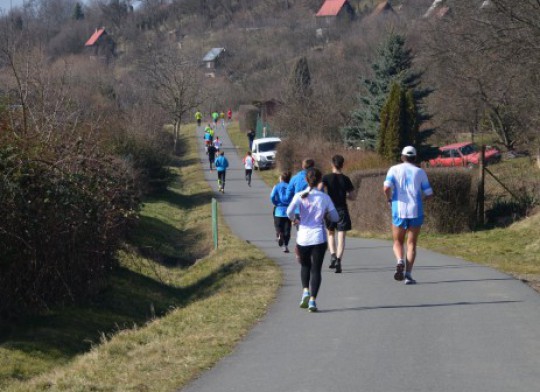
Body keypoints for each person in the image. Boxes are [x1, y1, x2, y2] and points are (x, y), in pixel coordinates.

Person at [287, 168, 339, 312]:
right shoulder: (324, 198)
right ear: (319, 181)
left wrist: (295, 219)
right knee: (316, 270)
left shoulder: (299, 195)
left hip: (303, 237)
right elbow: (335, 217)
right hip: (318, 238)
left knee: (305, 266)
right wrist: (327, 215)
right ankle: (312, 301)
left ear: (306, 180)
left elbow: (289, 212)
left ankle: (305, 290)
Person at [383, 146, 433, 285]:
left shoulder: (394, 169)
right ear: (415, 158)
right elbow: (429, 193)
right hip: (415, 210)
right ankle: (408, 275)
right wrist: (421, 201)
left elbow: (386, 187)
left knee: (397, 241)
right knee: (411, 244)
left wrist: (389, 199)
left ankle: (399, 260)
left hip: (398, 210)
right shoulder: (420, 172)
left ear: (402, 157)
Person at [319, 155, 355, 273]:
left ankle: (333, 255)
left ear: (332, 164)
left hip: (330, 210)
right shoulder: (346, 179)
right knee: (341, 237)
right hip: (342, 210)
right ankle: (339, 261)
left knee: (330, 234)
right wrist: (346, 196)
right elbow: (352, 196)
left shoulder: (326, 178)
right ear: (342, 165)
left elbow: (319, 188)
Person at [270, 171, 292, 253]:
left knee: (278, 226)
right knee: (287, 229)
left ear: (281, 178)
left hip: (278, 210)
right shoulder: (290, 187)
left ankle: (279, 234)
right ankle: (285, 246)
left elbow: (272, 196)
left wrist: (275, 203)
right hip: (288, 210)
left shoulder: (277, 186)